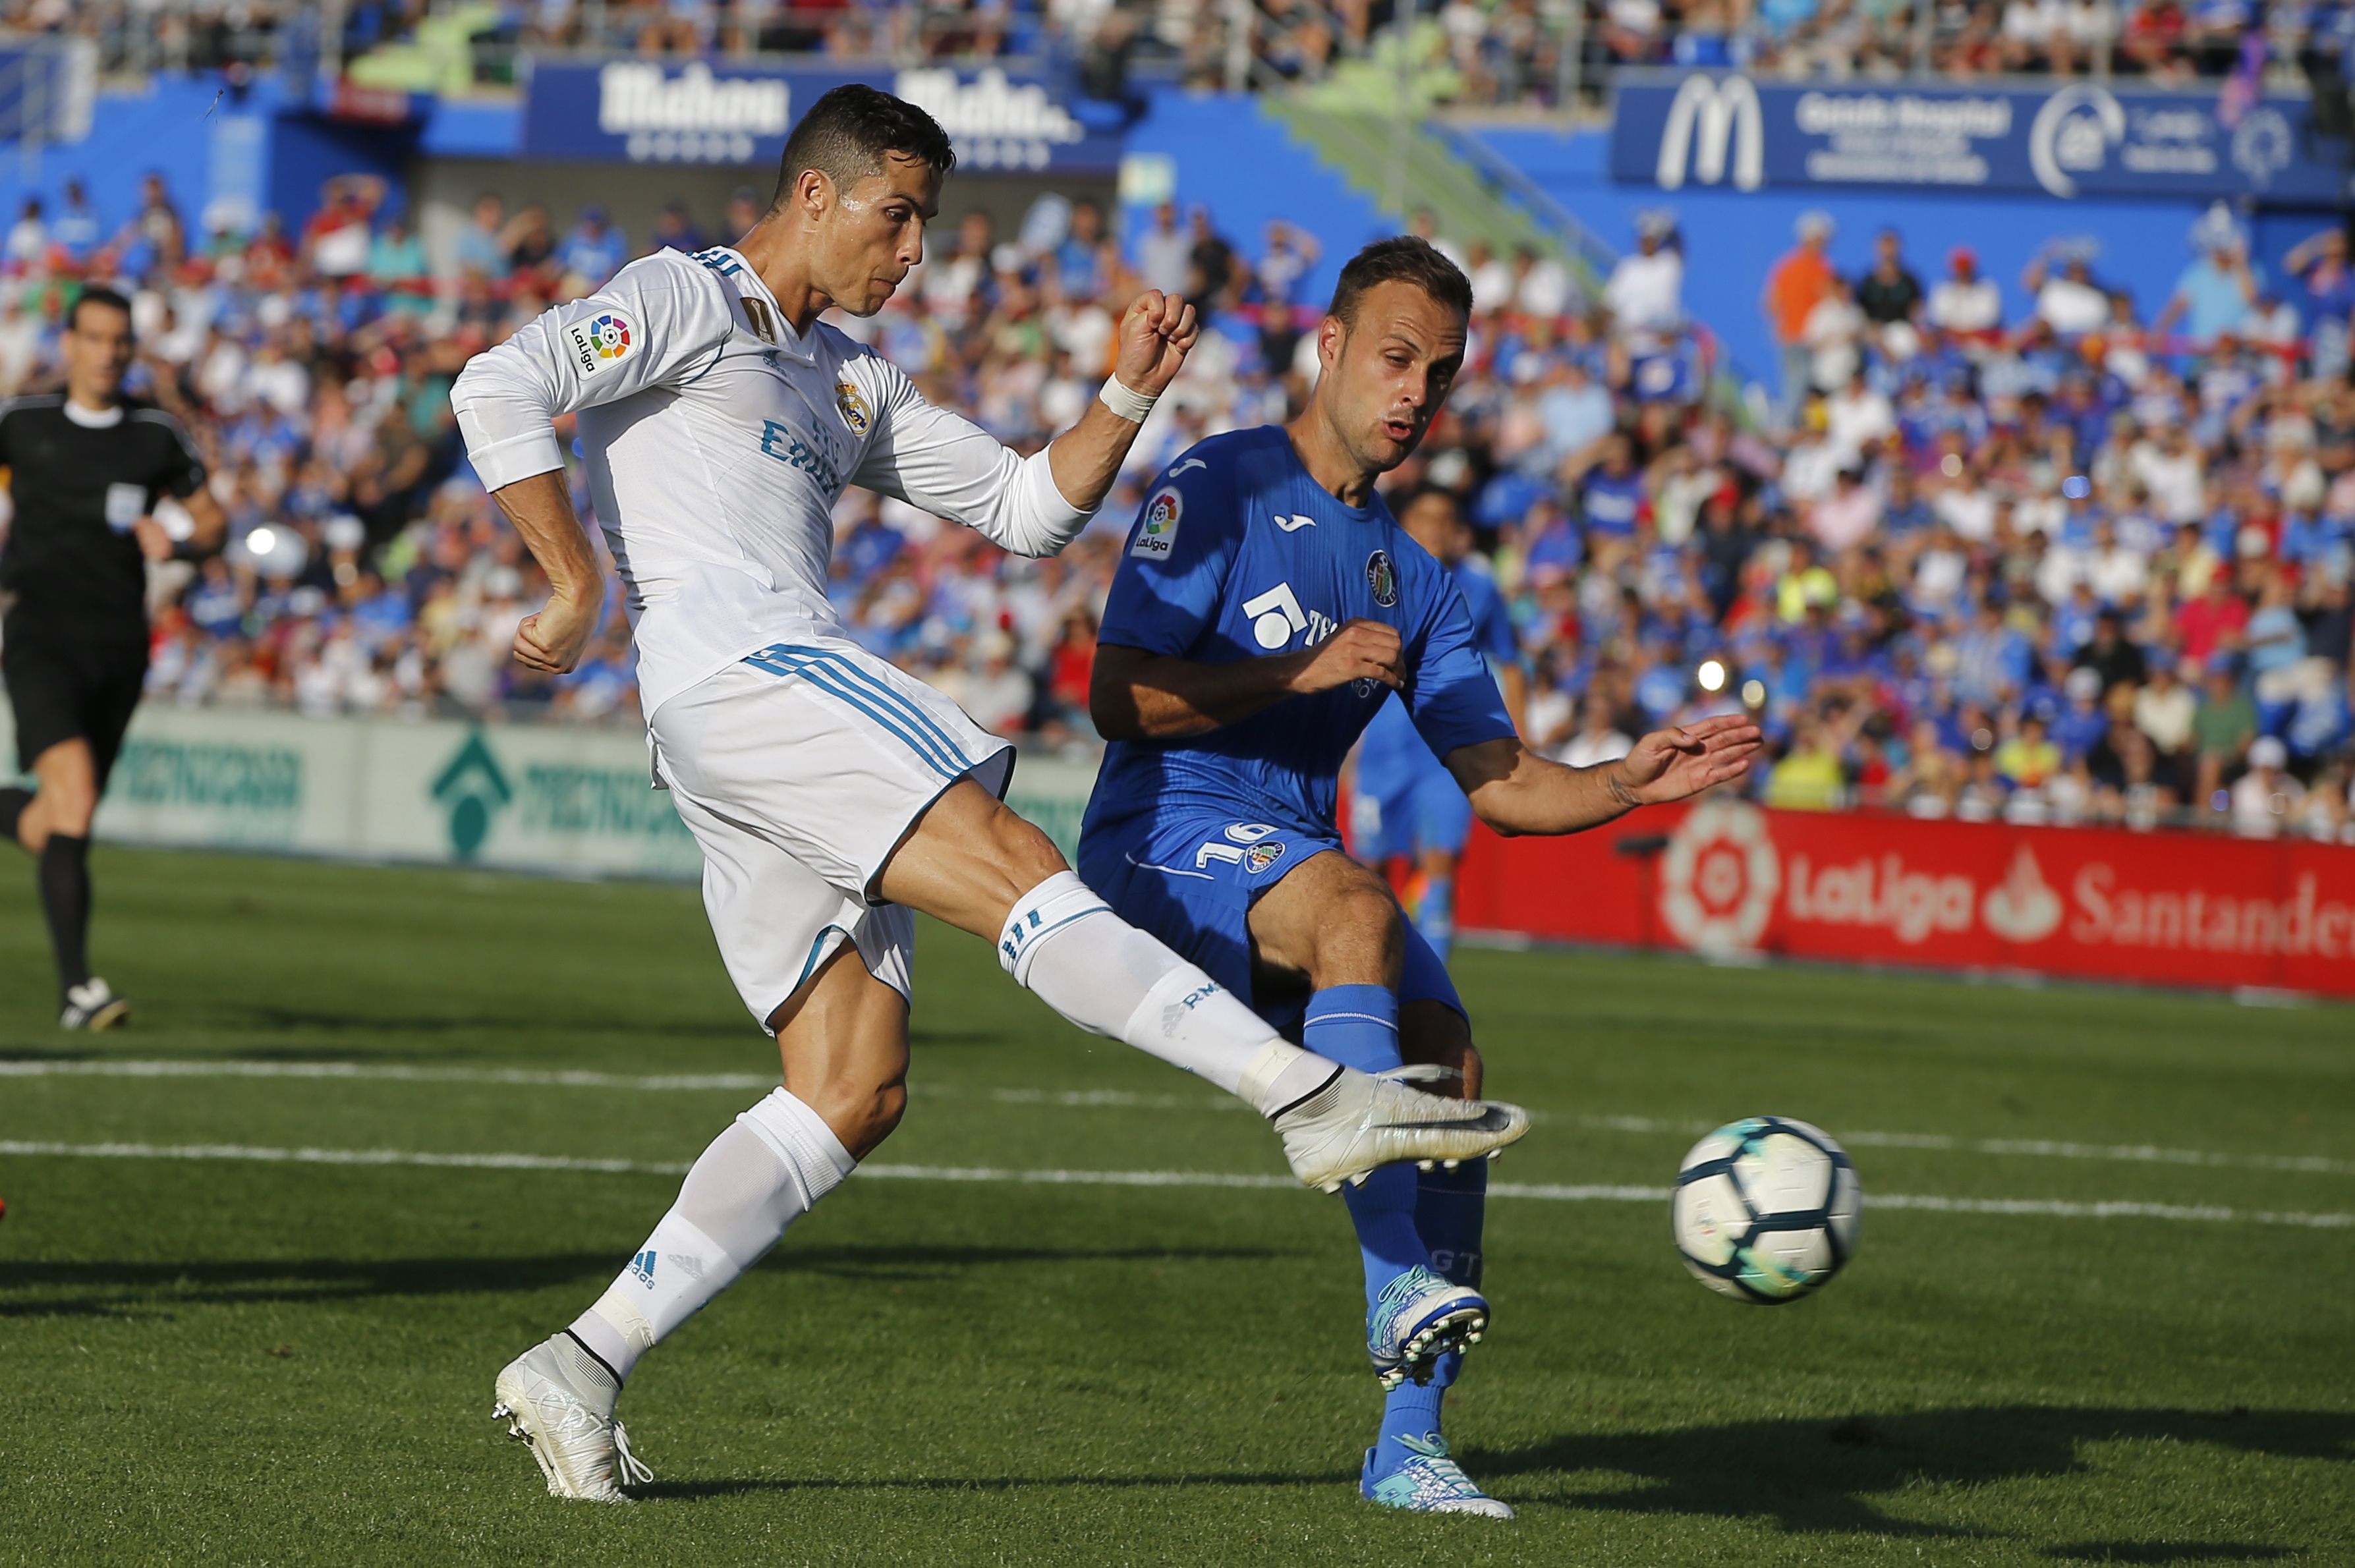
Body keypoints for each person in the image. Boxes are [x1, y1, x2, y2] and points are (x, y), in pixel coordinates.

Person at [447, 87, 1527, 1505]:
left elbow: (1026, 510)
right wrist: (574, 575)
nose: (914, 254)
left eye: (928, 225)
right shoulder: (683, 297)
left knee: (851, 1085)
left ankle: (580, 1361)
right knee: (1008, 851)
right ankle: (1303, 1092)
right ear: (816, 195)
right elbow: (496, 385)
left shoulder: (847, 379)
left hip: (720, 731)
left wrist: (1125, 393)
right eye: (897, 217)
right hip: (750, 668)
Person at [1076, 236, 1760, 1517]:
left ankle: (1408, 1445)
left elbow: (1500, 782)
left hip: (1280, 843)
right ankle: (1398, 1280)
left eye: (1436, 375)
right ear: (1327, 347)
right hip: (1157, 835)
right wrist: (1295, 672)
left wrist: (1628, 775)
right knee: (1357, 908)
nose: (1412, 393)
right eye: (1393, 359)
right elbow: (1118, 695)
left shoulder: (1419, 578)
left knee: (1447, 1059)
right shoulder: (1218, 482)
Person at [0, 287, 226, 1028]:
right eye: (93, 337)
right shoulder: (21, 424)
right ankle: (77, 990)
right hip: (38, 637)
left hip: (120, 647)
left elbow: (213, 520)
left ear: (131, 348)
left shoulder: (155, 435)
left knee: (65, 817)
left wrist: (184, 543)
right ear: (68, 343)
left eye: (118, 340)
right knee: (75, 796)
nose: (106, 352)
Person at [1350, 485, 1527, 965]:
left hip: (1447, 749)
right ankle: (1374, 969)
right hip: (1383, 746)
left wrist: (1520, 737)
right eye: (1425, 518)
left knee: (1441, 861)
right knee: (1372, 868)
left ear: (1458, 531)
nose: (1436, 528)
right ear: (1406, 524)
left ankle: (1434, 983)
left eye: (1445, 519)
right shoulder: (1376, 573)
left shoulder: (1481, 585)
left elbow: (1510, 662)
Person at [1763, 211, 1835, 427]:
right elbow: (1829, 301)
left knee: (1794, 390)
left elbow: (1770, 304)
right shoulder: (1821, 268)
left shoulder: (1785, 266)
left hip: (1789, 338)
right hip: (1808, 341)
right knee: (1804, 392)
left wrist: (1781, 326)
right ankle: (1791, 435)